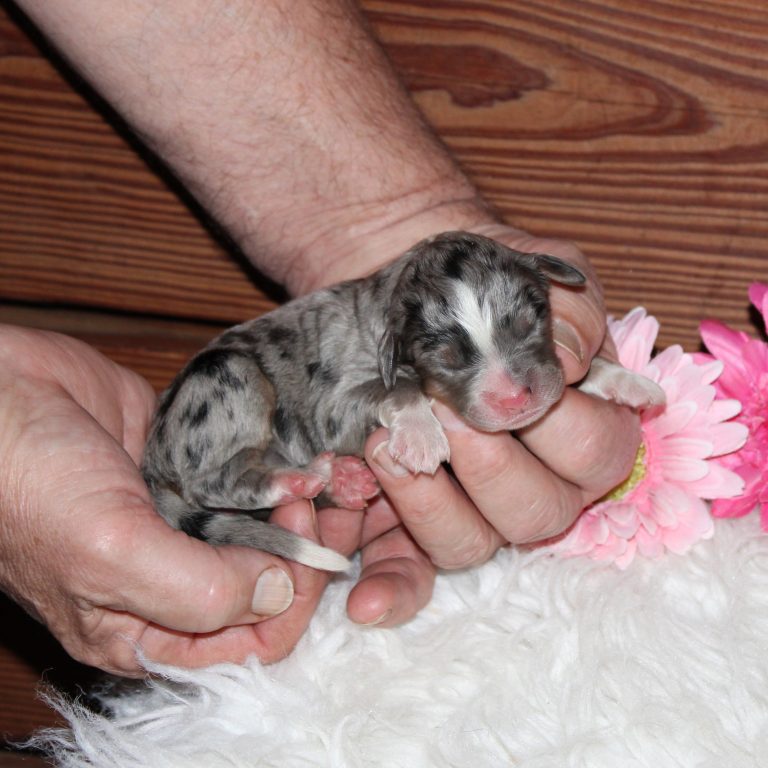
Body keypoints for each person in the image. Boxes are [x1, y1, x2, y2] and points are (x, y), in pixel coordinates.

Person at [0, 0, 641, 677]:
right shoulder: (371, 349)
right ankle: (241, 485)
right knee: (237, 386)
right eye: (450, 355)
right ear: (403, 347)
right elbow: (364, 398)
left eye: (527, 325)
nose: (513, 384)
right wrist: (405, 408)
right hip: (228, 407)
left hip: (302, 436)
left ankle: (279, 482)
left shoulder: (420, 315)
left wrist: (594, 372)